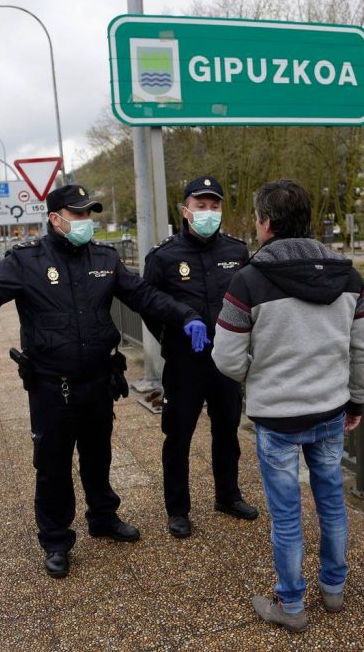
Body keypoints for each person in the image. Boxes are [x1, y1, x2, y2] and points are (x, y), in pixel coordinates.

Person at [0, 184, 208, 580]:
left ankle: (103, 517)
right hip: (50, 386)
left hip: (97, 381)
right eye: (77, 214)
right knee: (53, 465)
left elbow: (144, 296)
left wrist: (185, 315)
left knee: (99, 456)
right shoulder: (26, 261)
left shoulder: (105, 259)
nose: (85, 222)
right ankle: (56, 539)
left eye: (88, 214)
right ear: (55, 219)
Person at [212, 179, 364, 633]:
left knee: (286, 514)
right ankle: (333, 589)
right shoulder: (349, 276)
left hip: (277, 418)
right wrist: (356, 398)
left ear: (266, 223)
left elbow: (226, 357)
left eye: (256, 217)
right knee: (332, 503)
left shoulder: (247, 280)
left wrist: (261, 379)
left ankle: (291, 605)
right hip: (330, 411)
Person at [143, 175, 257, 538]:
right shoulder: (163, 258)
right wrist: (172, 338)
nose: (208, 212)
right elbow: (149, 307)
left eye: (215, 206)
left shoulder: (237, 253)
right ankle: (178, 509)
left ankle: (228, 495)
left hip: (226, 360)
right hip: (184, 364)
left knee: (227, 431)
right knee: (178, 437)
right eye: (201, 205)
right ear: (185, 210)